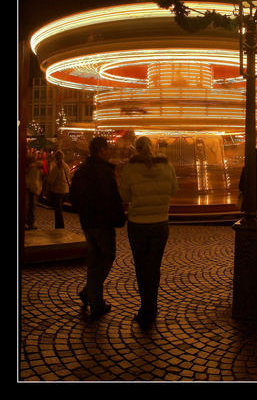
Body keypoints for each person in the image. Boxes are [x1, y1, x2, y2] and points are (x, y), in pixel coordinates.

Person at [119, 136, 178, 329]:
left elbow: (125, 196)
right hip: (160, 222)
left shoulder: (130, 168)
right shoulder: (166, 166)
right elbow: (173, 190)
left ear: (136, 149)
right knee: (154, 266)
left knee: (141, 266)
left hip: (138, 223)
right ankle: (152, 307)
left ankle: (146, 308)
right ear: (153, 148)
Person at [69, 137, 125, 321]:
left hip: (87, 221)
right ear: (101, 150)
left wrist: (83, 211)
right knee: (107, 256)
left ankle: (95, 299)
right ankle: (91, 295)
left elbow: (73, 196)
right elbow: (113, 197)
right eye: (107, 148)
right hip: (103, 222)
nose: (109, 151)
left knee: (94, 259)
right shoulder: (105, 172)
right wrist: (118, 217)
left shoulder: (82, 171)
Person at [47, 150, 71, 229]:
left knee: (58, 211)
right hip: (65, 191)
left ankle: (59, 227)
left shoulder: (57, 167)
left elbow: (51, 180)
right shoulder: (66, 166)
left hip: (57, 191)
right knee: (60, 210)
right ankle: (60, 226)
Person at [25, 153, 43, 230]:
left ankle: (30, 222)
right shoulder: (28, 168)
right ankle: (27, 222)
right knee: (27, 206)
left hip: (32, 188)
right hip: (28, 188)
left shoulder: (36, 168)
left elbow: (38, 179)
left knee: (31, 206)